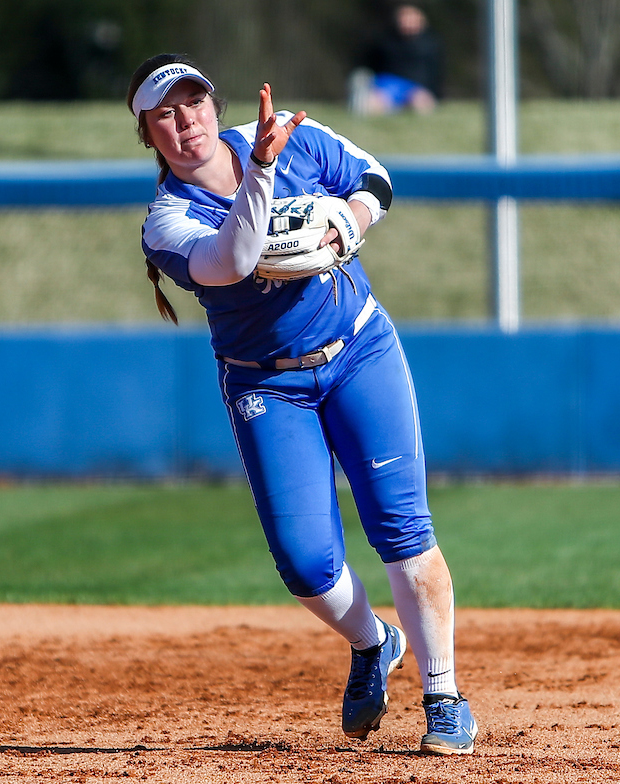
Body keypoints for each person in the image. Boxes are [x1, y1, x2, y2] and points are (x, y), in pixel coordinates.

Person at [126, 53, 478, 755]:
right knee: (304, 562)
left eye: (193, 101)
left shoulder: (295, 136)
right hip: (266, 383)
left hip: (358, 349)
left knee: (403, 527)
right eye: (164, 113)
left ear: (213, 105)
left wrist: (350, 220)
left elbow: (374, 178)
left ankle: (444, 697)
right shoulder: (167, 221)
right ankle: (374, 642)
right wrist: (261, 167)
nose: (185, 120)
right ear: (148, 135)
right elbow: (232, 261)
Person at [349, 4, 442, 116]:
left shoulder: (430, 44)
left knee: (422, 106)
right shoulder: (383, 42)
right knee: (373, 106)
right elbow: (370, 64)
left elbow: (435, 73)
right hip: (388, 84)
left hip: (416, 88)